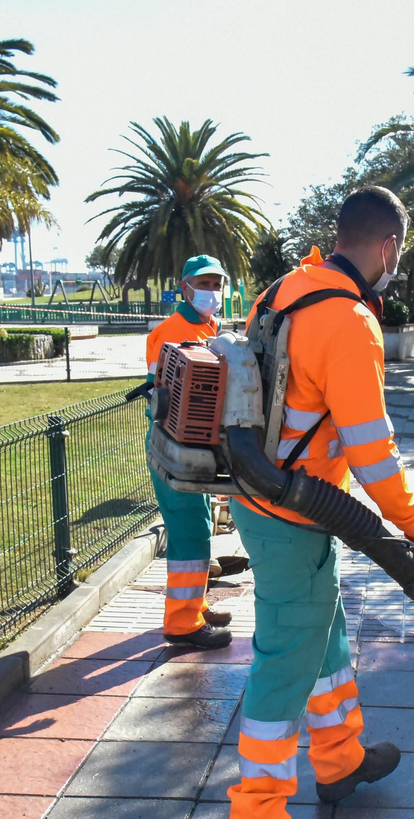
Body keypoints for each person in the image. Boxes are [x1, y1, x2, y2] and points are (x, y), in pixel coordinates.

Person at [227, 186, 414, 819]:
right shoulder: (348, 319)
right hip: (291, 511)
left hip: (273, 499)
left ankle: (339, 758)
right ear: (387, 246)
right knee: (282, 664)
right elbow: (371, 448)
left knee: (323, 634)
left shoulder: (287, 289)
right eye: (400, 254)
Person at [145, 254, 234, 650]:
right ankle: (182, 624)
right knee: (189, 534)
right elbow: (163, 391)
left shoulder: (210, 327)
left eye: (217, 285)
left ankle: (193, 607)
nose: (212, 292)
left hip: (194, 447)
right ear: (184, 288)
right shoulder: (168, 332)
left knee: (198, 527)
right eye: (204, 284)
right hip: (175, 448)